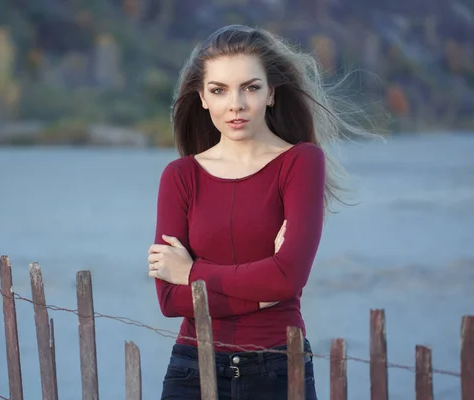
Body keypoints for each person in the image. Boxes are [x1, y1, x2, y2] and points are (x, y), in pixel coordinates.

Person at [147, 24, 376, 399]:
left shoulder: (300, 163)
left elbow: (288, 277)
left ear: (271, 93)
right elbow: (170, 300)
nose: (235, 104)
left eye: (250, 87)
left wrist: (192, 272)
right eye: (219, 90)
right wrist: (265, 289)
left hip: (277, 367)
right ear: (202, 98)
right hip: (193, 366)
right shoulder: (180, 176)